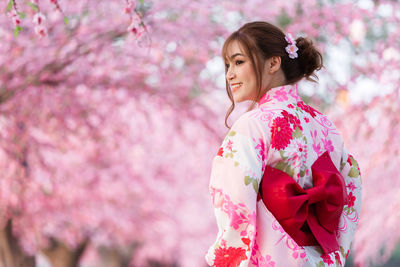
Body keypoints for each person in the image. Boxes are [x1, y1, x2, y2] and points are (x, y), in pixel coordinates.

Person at [205, 21, 362, 267]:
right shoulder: (325, 125)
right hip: (321, 259)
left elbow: (233, 197)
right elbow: (351, 187)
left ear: (273, 62)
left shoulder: (252, 126)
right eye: (227, 65)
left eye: (238, 62)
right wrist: (337, 251)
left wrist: (229, 258)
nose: (229, 75)